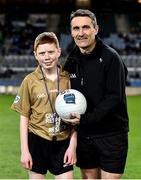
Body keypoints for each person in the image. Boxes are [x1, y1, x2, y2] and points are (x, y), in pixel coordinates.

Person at [63, 9, 129, 179]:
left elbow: (115, 98)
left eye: (86, 27)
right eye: (76, 28)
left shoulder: (111, 58)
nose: (81, 33)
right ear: (71, 32)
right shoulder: (71, 60)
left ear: (96, 29)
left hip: (112, 134)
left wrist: (85, 119)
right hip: (85, 135)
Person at [11, 32, 78, 179]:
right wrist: (25, 151)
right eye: (42, 53)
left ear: (58, 51)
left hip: (63, 141)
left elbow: (77, 116)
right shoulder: (29, 81)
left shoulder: (68, 78)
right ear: (35, 55)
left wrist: (73, 146)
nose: (47, 57)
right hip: (37, 140)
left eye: (51, 52)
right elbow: (24, 118)